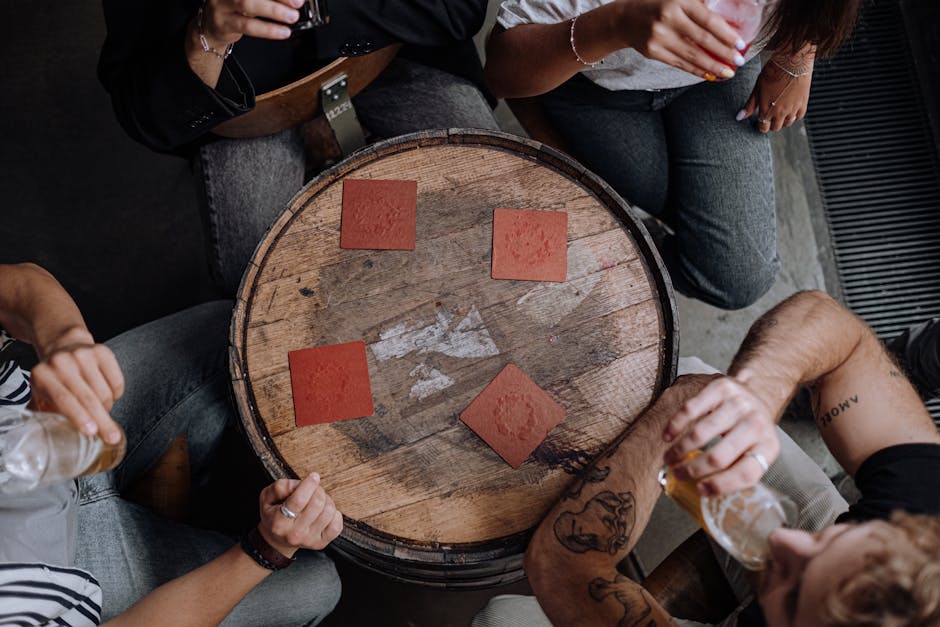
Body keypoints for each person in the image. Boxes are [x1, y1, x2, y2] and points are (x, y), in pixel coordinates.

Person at [473, 289, 940, 626]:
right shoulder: (925, 537)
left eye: (797, 593)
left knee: (501, 619)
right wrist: (758, 393)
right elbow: (841, 337)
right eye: (831, 541)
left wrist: (676, 412)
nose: (781, 543)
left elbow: (564, 566)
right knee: (704, 392)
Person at [0, 263, 342, 625]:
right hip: (65, 569)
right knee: (319, 585)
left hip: (50, 417)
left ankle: (187, 484)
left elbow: (15, 284)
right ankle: (179, 504)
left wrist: (64, 342)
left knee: (231, 329)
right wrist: (267, 550)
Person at [98, 0, 501, 295]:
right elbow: (148, 116)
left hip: (389, 52)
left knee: (498, 204)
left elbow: (458, 8)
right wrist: (207, 34)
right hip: (247, 110)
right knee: (263, 284)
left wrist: (317, 10)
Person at [484, 1, 860, 310]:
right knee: (711, 246)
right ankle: (626, 232)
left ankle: (631, 230)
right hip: (597, 89)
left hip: (714, 80)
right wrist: (618, 23)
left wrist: (797, 54)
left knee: (738, 277)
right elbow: (501, 70)